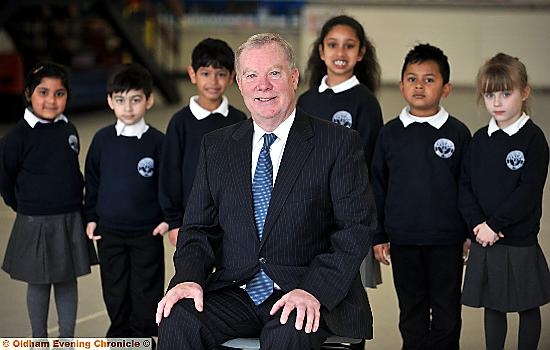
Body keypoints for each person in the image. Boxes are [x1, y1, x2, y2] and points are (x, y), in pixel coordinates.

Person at [155, 32, 377, 350]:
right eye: (251, 75)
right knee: (177, 318)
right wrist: (189, 277)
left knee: (286, 334)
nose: (263, 85)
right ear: (240, 84)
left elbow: (355, 228)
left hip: (306, 291)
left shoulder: (338, 143)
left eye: (274, 73)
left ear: (294, 77)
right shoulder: (216, 147)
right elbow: (197, 229)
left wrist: (314, 290)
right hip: (238, 290)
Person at [370, 44, 470, 350]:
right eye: (412, 79)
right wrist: (379, 234)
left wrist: (468, 232)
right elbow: (377, 185)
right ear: (401, 86)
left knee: (447, 311)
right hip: (403, 240)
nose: (419, 86)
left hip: (447, 240)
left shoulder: (458, 133)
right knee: (411, 311)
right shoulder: (389, 134)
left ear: (446, 88)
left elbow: (467, 186)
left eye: (429, 79)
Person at [459, 53, 550, 350]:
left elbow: (528, 191)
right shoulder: (479, 140)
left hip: (518, 239)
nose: (497, 102)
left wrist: (495, 225)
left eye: (506, 93)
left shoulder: (534, 140)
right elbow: (466, 186)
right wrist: (477, 227)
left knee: (527, 305)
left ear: (524, 93)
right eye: (489, 94)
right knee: (493, 304)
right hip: (485, 239)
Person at [0, 61, 97, 338]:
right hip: (35, 220)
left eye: (59, 93)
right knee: (39, 284)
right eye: (43, 92)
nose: (51, 101)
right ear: (29, 94)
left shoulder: (68, 129)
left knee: (67, 282)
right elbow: (4, 178)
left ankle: (67, 339)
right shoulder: (16, 137)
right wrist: (21, 205)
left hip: (69, 217)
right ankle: (38, 340)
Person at [297, 14, 383, 289]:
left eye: (349, 45)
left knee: (345, 285)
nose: (340, 52)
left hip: (346, 210)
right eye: (333, 44)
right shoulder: (307, 100)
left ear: (361, 53)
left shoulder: (366, 102)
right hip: (309, 208)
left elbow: (369, 162)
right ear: (321, 51)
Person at [84, 63, 167, 338]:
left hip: (147, 233)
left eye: (135, 99)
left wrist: (168, 218)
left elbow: (167, 185)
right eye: (120, 100)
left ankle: (143, 341)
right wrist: (91, 217)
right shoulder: (102, 140)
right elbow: (92, 181)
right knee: (115, 292)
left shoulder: (158, 142)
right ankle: (120, 340)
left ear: (149, 100)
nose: (128, 108)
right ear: (110, 102)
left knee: (146, 294)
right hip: (110, 234)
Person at [159, 38, 247, 246]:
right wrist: (173, 222)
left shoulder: (239, 120)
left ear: (232, 77)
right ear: (192, 74)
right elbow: (170, 173)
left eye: (221, 74)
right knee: (195, 275)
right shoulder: (180, 122)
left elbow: (246, 171)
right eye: (205, 73)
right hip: (192, 221)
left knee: (230, 275)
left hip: (230, 221)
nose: (213, 82)